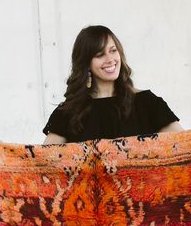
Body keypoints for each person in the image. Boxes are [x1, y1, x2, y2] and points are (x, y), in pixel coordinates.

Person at [42, 25, 181, 144]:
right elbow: (41, 165)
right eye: (99, 54)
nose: (110, 59)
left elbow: (188, 148)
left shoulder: (147, 104)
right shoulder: (68, 113)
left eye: (113, 51)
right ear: (86, 63)